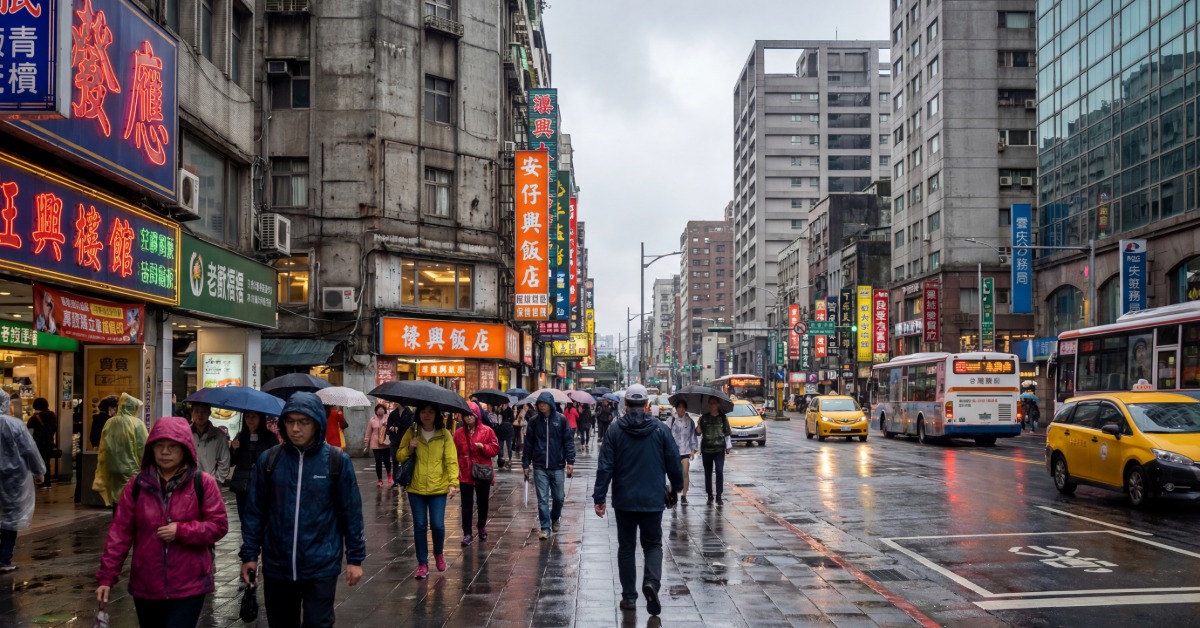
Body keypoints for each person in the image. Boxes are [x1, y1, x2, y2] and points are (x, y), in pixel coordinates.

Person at [239, 392, 366, 627]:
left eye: (303, 422)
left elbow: (351, 512)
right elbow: (255, 512)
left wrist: (355, 558)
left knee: (318, 623)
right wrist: (249, 555)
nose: (295, 429)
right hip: (277, 565)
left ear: (317, 423)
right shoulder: (270, 461)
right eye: (290, 421)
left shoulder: (336, 461)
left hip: (321, 564)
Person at [95, 416, 229, 626]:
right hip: (146, 585)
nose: (165, 452)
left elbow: (218, 525)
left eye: (172, 447)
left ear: (185, 448)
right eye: (160, 446)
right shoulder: (136, 486)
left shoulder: (202, 483)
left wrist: (183, 531)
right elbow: (120, 533)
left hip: (189, 585)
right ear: (151, 449)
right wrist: (107, 577)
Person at [593, 384, 683, 616]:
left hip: (624, 500)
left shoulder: (614, 430)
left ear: (625, 404)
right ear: (646, 405)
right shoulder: (660, 430)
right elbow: (674, 461)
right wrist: (677, 488)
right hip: (652, 499)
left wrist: (599, 497)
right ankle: (651, 583)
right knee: (653, 544)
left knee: (626, 547)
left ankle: (629, 598)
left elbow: (605, 466)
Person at [396, 402, 458, 578]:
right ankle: (422, 563)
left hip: (438, 488)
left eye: (430, 412)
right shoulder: (411, 432)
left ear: (436, 415)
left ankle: (438, 552)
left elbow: (451, 460)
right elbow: (399, 455)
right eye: (423, 412)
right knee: (420, 526)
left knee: (437, 525)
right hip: (416, 488)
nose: (426, 415)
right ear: (418, 414)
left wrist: (453, 483)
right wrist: (410, 447)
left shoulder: (444, 434)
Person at [0, 390, 46, 573]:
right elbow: (29, 450)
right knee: (10, 518)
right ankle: (3, 559)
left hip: (12, 478)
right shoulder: (14, 425)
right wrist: (39, 472)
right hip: (13, 478)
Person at [522, 392, 575, 540]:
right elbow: (528, 444)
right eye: (539, 403)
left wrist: (570, 461)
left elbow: (568, 442)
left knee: (559, 497)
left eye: (544, 403)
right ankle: (545, 527)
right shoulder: (533, 421)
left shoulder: (561, 420)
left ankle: (555, 517)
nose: (541, 405)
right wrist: (526, 463)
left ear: (550, 404)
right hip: (539, 467)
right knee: (542, 499)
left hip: (557, 466)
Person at [453, 407, 498, 546]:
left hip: (482, 472)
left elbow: (495, 449)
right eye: (466, 415)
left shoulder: (487, 430)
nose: (469, 418)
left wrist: (483, 447)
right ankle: (467, 533)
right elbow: (454, 453)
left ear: (477, 415)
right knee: (466, 504)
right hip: (465, 472)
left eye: (471, 415)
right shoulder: (459, 433)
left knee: (482, 502)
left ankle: (481, 526)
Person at [94, 394, 148, 509]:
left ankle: (117, 523)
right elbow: (143, 447)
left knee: (116, 500)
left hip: (112, 468)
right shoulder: (137, 423)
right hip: (131, 469)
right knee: (130, 501)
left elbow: (103, 446)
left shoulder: (110, 422)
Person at [229, 411, 277, 524]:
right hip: (242, 484)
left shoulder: (270, 438)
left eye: (254, 417)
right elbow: (231, 462)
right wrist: (234, 449)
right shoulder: (240, 436)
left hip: (261, 483)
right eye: (248, 417)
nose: (250, 419)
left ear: (260, 419)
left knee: (260, 516)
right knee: (243, 515)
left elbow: (274, 461)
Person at [695, 397, 732, 506]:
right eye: (710, 403)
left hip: (719, 449)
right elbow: (698, 432)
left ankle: (719, 496)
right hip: (706, 449)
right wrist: (699, 425)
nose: (712, 406)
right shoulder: (704, 418)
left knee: (719, 471)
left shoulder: (723, 418)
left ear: (718, 405)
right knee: (708, 473)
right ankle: (709, 495)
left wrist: (728, 446)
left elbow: (727, 433)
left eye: (714, 403)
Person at [668, 399, 699, 505]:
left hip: (685, 450)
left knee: (685, 472)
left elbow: (692, 436)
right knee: (674, 473)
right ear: (676, 409)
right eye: (679, 407)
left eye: (683, 407)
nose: (681, 409)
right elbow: (666, 436)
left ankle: (684, 496)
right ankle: (674, 493)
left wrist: (693, 450)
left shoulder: (689, 421)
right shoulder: (671, 420)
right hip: (673, 451)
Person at [190, 403, 230, 484]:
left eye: (204, 411)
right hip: (188, 483)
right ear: (192, 413)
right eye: (196, 411)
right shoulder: (185, 433)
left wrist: (213, 481)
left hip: (211, 484)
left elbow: (224, 462)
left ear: (209, 413)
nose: (200, 414)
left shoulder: (219, 436)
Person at [26, 398, 57, 489]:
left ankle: (41, 482)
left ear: (35, 406)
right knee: (46, 462)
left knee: (38, 462)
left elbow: (29, 433)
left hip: (37, 444)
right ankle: (47, 482)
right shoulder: (52, 416)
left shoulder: (33, 419)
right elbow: (54, 428)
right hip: (48, 443)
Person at [364, 404, 393, 488]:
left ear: (384, 410)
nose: (380, 411)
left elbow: (392, 428)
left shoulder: (388, 418)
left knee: (387, 461)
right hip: (375, 444)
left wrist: (387, 425)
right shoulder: (372, 420)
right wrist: (366, 442)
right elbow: (368, 432)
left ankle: (389, 474)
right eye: (378, 409)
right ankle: (380, 480)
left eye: (382, 409)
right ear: (376, 411)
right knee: (378, 461)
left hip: (385, 443)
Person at [386, 404, 413, 487]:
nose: (396, 404)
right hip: (395, 440)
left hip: (405, 440)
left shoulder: (409, 413)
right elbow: (388, 427)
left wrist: (397, 425)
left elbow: (410, 426)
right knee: (395, 460)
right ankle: (396, 480)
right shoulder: (393, 414)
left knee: (405, 461)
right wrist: (391, 428)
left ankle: (405, 479)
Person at [496, 403, 516, 469]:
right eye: (503, 405)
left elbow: (512, 419)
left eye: (505, 404)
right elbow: (498, 421)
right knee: (500, 447)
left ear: (507, 405)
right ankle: (500, 459)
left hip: (508, 431)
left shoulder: (510, 411)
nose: (503, 406)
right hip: (501, 431)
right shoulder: (499, 411)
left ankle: (509, 459)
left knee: (509, 447)